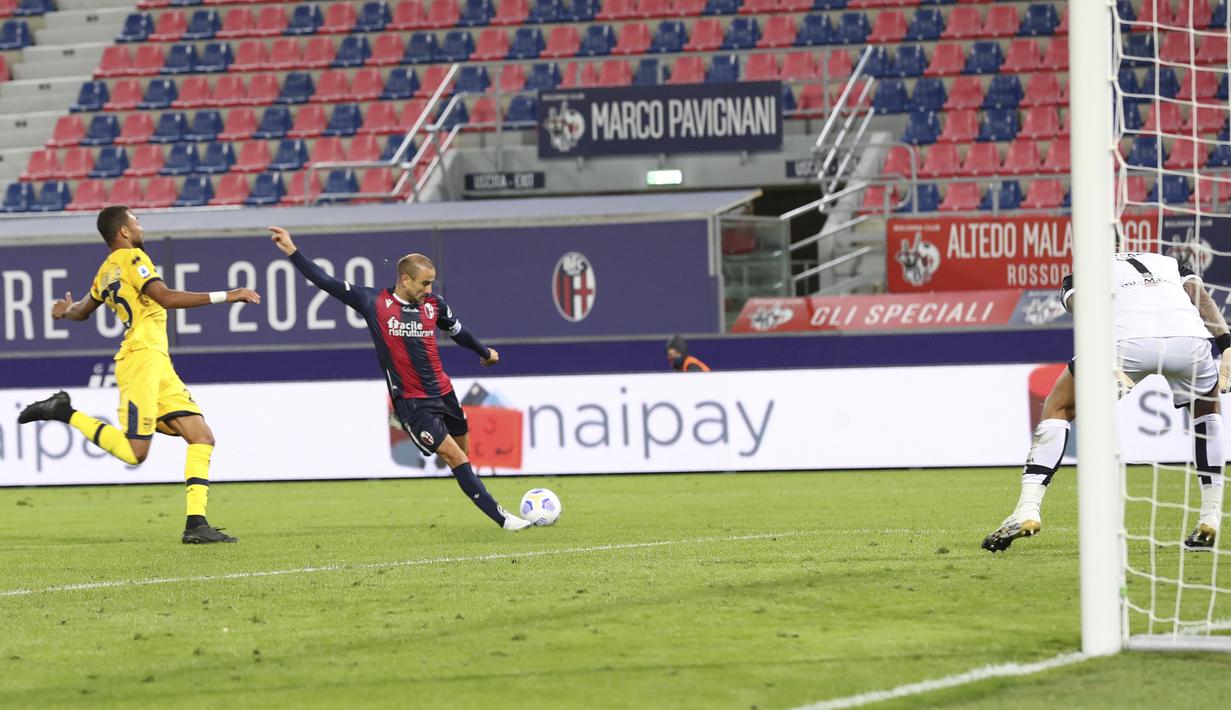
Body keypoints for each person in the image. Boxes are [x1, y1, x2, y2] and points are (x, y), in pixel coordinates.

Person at [18, 206, 261, 544]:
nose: (140, 225)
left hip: (157, 362)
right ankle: (63, 411)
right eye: (136, 221)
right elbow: (166, 297)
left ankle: (196, 523)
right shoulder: (133, 258)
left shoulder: (105, 271)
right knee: (135, 453)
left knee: (201, 436)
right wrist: (227, 295)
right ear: (123, 232)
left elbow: (84, 311)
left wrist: (65, 311)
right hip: (141, 360)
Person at [268, 226, 532, 531]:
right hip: (412, 402)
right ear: (405, 279)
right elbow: (324, 281)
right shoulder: (373, 302)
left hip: (444, 392)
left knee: (463, 455)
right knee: (453, 454)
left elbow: (457, 332)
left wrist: (484, 352)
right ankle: (504, 519)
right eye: (424, 283)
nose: (429, 290)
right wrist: (292, 251)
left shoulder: (435, 306)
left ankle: (471, 486)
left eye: (432, 283)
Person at [983, 252, 1231, 553]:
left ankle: (1027, 508)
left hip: (1126, 342)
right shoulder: (1166, 262)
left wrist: (1106, 358)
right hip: (1189, 339)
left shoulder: (1086, 269)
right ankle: (1210, 517)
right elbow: (1199, 297)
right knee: (1207, 412)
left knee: (1058, 406)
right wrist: (1226, 345)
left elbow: (1084, 310)